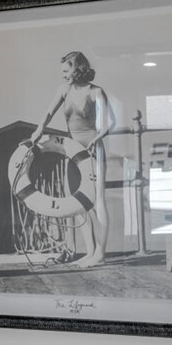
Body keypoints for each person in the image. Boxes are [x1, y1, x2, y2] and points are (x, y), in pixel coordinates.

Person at [28, 50, 113, 267]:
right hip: (73, 150)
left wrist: (96, 139)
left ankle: (100, 255)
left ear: (78, 69)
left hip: (94, 149)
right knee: (78, 200)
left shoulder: (96, 92)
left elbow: (109, 122)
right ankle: (90, 251)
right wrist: (39, 129)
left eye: (67, 70)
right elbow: (48, 112)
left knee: (99, 201)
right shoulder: (63, 90)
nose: (63, 75)